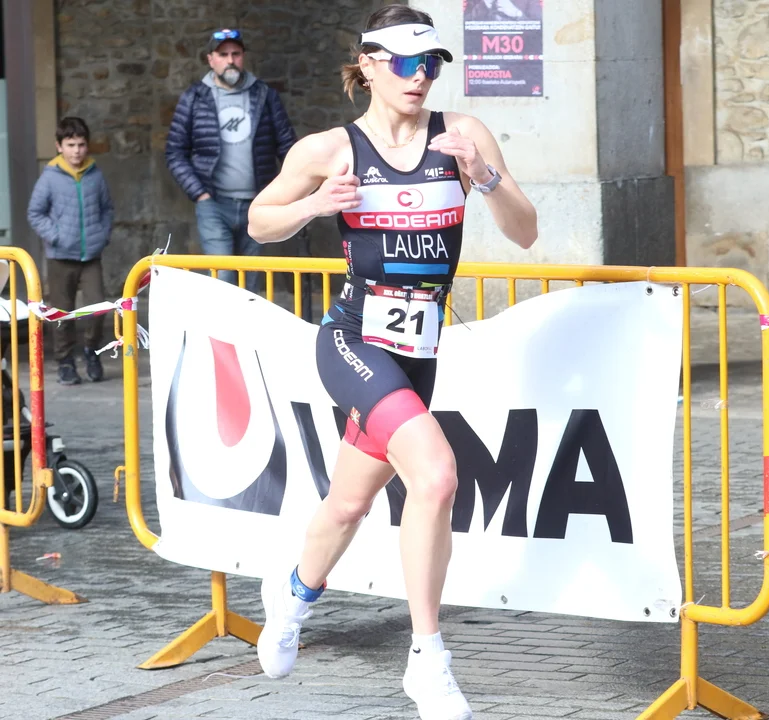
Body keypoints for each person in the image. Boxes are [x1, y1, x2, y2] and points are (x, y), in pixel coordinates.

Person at [247, 5, 537, 719]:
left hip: (419, 352)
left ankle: (292, 596)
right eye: (405, 64)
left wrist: (484, 177)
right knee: (436, 476)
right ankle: (428, 660)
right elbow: (258, 221)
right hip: (353, 339)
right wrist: (315, 205)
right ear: (370, 66)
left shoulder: (462, 135)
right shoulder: (331, 149)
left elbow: (526, 232)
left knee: (349, 501)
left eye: (431, 63)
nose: (420, 77)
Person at [165, 27, 298, 291]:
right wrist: (199, 194)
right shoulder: (195, 97)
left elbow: (288, 146)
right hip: (214, 205)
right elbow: (175, 151)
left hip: (258, 203)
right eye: (223, 54)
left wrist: (292, 189)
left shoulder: (264, 95)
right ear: (210, 59)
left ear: (243, 57)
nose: (230, 60)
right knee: (223, 280)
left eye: (236, 54)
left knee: (251, 283)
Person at [27, 117, 113, 385]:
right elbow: (35, 213)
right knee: (62, 313)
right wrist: (57, 237)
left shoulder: (95, 175)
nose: (77, 151)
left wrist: (102, 234)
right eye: (71, 145)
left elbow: (106, 208)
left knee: (98, 306)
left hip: (91, 257)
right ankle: (65, 360)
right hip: (61, 257)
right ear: (59, 146)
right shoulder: (50, 177)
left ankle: (91, 351)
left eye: (81, 145)